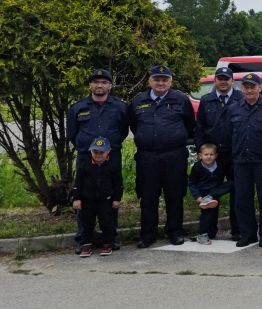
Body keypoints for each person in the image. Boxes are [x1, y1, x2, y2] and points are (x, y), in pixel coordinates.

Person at [127, 64, 196, 247]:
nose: (160, 83)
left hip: (174, 156)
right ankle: (148, 234)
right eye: (156, 79)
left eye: (164, 80)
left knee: (175, 195)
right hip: (147, 157)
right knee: (148, 196)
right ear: (149, 81)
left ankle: (175, 231)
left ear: (170, 82)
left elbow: (189, 125)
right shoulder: (138, 100)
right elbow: (134, 125)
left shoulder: (181, 100)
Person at [66, 67, 130, 248]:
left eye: (104, 82)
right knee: (83, 196)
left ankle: (110, 238)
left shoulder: (120, 107)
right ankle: (83, 240)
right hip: (86, 157)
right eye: (95, 82)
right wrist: (86, 148)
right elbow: (72, 134)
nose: (99, 85)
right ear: (90, 85)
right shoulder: (78, 108)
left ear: (110, 86)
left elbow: (123, 131)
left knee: (110, 196)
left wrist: (109, 148)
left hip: (111, 156)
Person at [227, 73, 262, 247]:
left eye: (253, 86)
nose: (249, 90)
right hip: (241, 161)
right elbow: (230, 135)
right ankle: (248, 234)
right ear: (241, 89)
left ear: (260, 88)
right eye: (246, 87)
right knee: (242, 199)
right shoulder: (234, 109)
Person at [195, 66, 242, 239]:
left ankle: (237, 230)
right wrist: (202, 150)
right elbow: (200, 127)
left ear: (232, 81)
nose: (223, 82)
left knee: (237, 192)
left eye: (226, 79)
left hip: (234, 153)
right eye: (220, 78)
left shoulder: (240, 98)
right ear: (215, 80)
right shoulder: (206, 100)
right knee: (210, 192)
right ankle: (209, 230)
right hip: (212, 156)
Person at [72, 136, 121, 257]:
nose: (98, 155)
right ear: (90, 151)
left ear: (108, 152)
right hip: (87, 200)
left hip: (106, 200)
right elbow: (78, 183)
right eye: (95, 152)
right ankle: (85, 245)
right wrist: (76, 198)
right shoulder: (84, 165)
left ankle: (108, 244)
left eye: (101, 152)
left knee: (107, 223)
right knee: (86, 224)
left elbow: (118, 184)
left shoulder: (113, 166)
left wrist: (116, 199)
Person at [188, 143, 232, 244]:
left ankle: (211, 233)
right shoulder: (197, 167)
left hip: (215, 193)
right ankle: (202, 235)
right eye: (206, 154)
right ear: (200, 156)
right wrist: (197, 196)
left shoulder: (220, 165)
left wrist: (215, 193)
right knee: (207, 214)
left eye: (211, 154)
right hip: (203, 195)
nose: (209, 157)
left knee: (232, 184)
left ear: (216, 155)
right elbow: (192, 183)